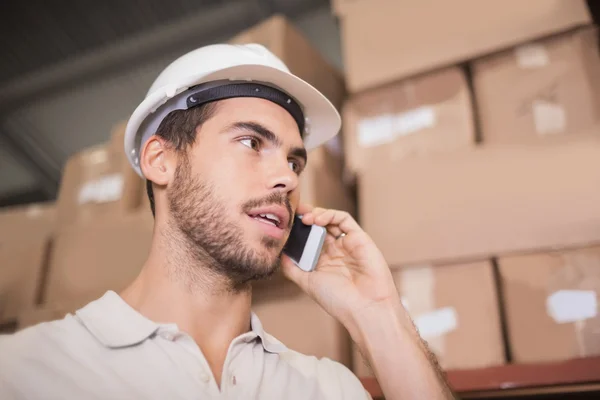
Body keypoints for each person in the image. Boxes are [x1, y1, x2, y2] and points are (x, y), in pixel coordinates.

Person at [0, 43, 456, 399]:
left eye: (295, 162)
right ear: (162, 160)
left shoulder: (329, 390)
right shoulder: (24, 372)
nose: (286, 178)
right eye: (252, 143)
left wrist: (375, 314)